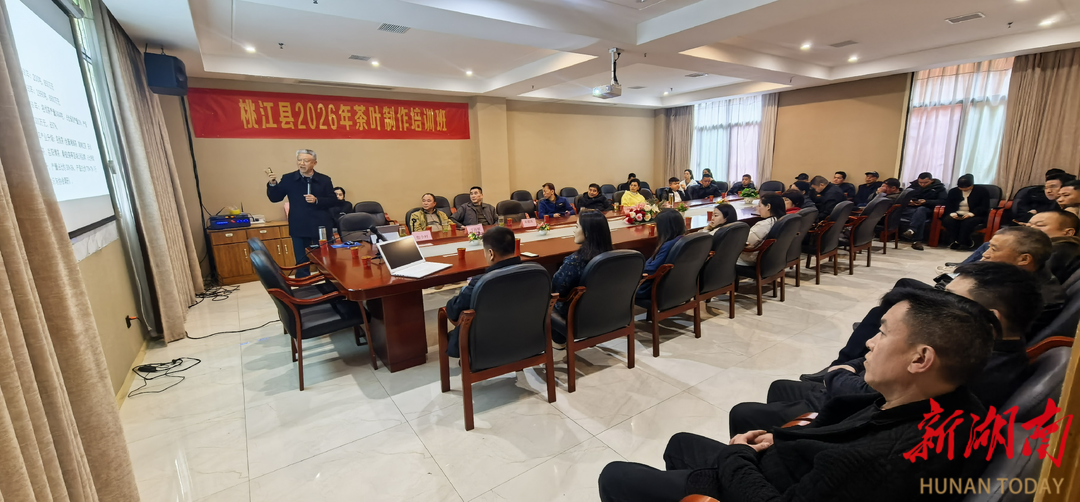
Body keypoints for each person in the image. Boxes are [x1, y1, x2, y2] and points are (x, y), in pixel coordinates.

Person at [597, 287, 995, 502]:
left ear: (921, 358)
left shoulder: (876, 462)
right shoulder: (954, 402)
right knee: (681, 443)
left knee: (615, 475)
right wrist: (782, 437)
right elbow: (846, 425)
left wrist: (738, 455)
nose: (869, 343)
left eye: (883, 333)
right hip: (787, 464)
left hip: (763, 484)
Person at [730, 261, 1035, 437]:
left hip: (857, 415)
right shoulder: (991, 348)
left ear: (989, 319)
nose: (941, 300)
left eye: (953, 299)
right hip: (864, 402)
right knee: (780, 387)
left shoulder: (974, 366)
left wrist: (839, 374)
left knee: (744, 413)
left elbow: (879, 397)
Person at [825, 225, 1064, 366]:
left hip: (960, 325)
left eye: (993, 249)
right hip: (964, 311)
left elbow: (994, 328)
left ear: (1024, 259)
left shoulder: (1038, 296)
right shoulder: (1027, 276)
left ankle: (846, 362)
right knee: (901, 289)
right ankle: (854, 355)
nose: (986, 253)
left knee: (888, 308)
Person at [443, 227, 520, 357]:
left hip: (483, 346)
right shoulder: (534, 273)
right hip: (524, 338)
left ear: (491, 253)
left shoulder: (481, 282)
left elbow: (454, 311)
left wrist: (465, 290)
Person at [266, 149, 336, 278]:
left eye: (306, 161)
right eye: (299, 160)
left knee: (326, 259)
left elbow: (333, 200)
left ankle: (330, 283)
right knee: (301, 261)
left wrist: (317, 200)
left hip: (321, 225)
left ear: (314, 163)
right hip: (299, 225)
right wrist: (273, 184)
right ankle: (304, 285)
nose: (302, 163)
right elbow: (275, 198)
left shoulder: (324, 180)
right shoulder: (288, 179)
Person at [550, 211, 614, 346]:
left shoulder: (575, 261)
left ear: (587, 233)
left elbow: (557, 290)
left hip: (576, 314)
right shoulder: (612, 256)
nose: (574, 231)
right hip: (606, 310)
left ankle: (557, 339)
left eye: (576, 226)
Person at [636, 210, 685, 299]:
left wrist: (636, 270)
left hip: (651, 289)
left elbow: (652, 269)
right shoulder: (682, 240)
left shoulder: (667, 245)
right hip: (677, 287)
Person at [940, 174, 990, 250]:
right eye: (961, 188)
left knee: (967, 222)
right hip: (957, 213)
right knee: (948, 220)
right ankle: (955, 241)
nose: (964, 189)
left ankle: (964, 242)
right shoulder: (953, 191)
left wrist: (971, 214)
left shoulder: (982, 191)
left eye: (966, 188)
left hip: (975, 214)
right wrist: (952, 213)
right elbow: (949, 205)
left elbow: (984, 206)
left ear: (972, 185)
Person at [900, 172, 948, 250]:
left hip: (927, 209)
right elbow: (904, 197)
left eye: (925, 182)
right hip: (911, 209)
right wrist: (910, 201)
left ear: (931, 180)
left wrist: (926, 202)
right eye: (920, 182)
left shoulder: (939, 188)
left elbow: (943, 201)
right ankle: (915, 238)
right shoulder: (913, 186)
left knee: (920, 211)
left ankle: (912, 231)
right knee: (919, 216)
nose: (922, 184)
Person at [737, 193, 784, 266]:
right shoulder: (782, 220)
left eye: (759, 205)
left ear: (768, 206)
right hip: (773, 258)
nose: (757, 208)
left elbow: (746, 243)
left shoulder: (764, 225)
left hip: (752, 259)